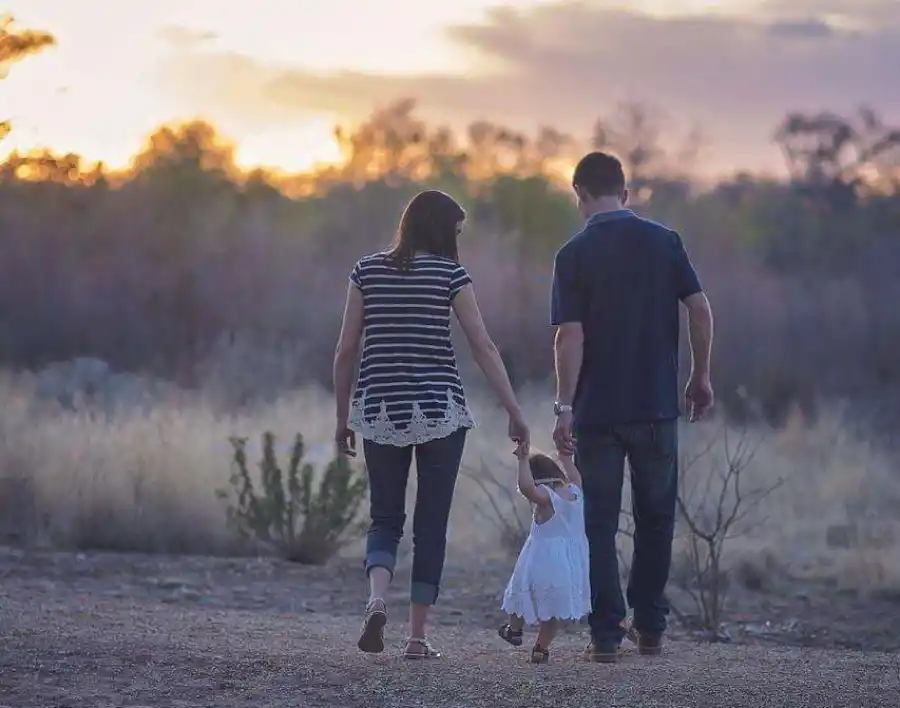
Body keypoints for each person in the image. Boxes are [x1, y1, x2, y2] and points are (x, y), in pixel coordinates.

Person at [332, 189, 529, 660]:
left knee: (384, 519)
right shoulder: (450, 275)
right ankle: (417, 638)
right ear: (442, 229)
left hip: (379, 410)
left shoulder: (367, 271)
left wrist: (343, 418)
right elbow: (483, 346)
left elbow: (344, 351)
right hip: (441, 412)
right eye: (456, 231)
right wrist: (514, 410)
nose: (458, 240)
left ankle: (377, 600)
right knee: (431, 526)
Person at [549, 152, 714, 663]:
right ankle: (650, 629)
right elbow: (700, 308)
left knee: (597, 523)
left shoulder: (572, 255)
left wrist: (564, 407)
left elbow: (568, 338)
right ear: (625, 193)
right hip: (656, 408)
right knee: (656, 519)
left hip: (597, 412)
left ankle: (604, 636)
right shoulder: (664, 242)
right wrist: (700, 375)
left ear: (579, 195)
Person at [498, 448, 590, 664]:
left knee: (521, 592)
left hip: (541, 561)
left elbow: (527, 487)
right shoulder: (575, 493)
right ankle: (541, 648)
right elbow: (576, 476)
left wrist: (522, 460)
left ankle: (514, 630)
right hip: (569, 564)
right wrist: (566, 458)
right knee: (553, 610)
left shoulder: (545, 498)